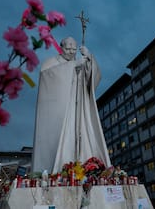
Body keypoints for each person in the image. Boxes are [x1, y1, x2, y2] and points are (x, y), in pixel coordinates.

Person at [32, 36, 111, 173]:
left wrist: (89, 58)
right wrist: (72, 66)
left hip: (79, 108)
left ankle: (86, 167)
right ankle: (60, 169)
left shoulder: (79, 61)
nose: (71, 52)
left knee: (83, 135)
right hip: (61, 110)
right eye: (68, 48)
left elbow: (93, 79)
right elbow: (47, 77)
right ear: (61, 47)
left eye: (74, 49)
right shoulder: (51, 62)